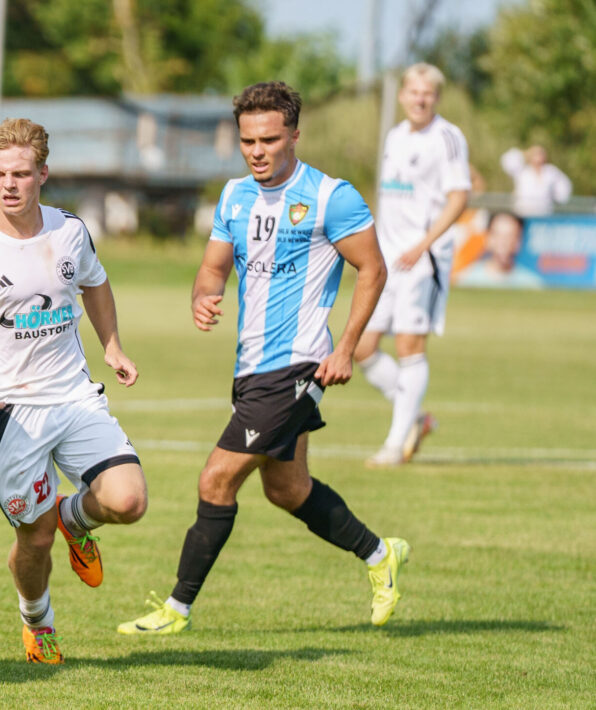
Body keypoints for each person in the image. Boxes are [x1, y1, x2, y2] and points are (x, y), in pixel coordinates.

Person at [117, 81, 408, 635]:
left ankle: (176, 609)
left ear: (294, 135)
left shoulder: (331, 197)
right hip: (251, 366)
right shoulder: (234, 196)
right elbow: (213, 268)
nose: (257, 151)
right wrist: (203, 296)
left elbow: (373, 269)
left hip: (298, 365)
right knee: (287, 489)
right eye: (248, 140)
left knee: (215, 480)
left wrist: (346, 348)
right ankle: (380, 554)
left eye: (269, 140)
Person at [0, 118, 148, 664]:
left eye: (21, 174)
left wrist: (113, 346)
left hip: (72, 394)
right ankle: (37, 621)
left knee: (128, 501)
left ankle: (75, 519)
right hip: (11, 411)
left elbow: (95, 282)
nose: (9, 184)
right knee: (36, 537)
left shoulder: (69, 230)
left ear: (42, 174)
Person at [353, 63, 471, 466]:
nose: (420, 99)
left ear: (437, 97)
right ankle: (416, 419)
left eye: (428, 93)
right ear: (403, 95)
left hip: (423, 259)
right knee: (363, 348)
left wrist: (424, 244)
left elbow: (459, 197)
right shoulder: (395, 136)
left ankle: (395, 444)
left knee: (409, 346)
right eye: (414, 92)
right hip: (386, 258)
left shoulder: (447, 137)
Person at [456, 211, 543, 289]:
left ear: (519, 240)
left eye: (510, 236)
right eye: (498, 235)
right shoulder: (468, 280)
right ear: (488, 238)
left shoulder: (531, 285)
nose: (503, 243)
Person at [501, 145, 572, 217]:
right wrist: (525, 153)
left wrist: (556, 200)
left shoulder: (551, 171)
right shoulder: (522, 170)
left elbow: (564, 187)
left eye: (541, 153)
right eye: (536, 154)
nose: (539, 156)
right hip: (523, 213)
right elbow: (508, 160)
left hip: (544, 213)